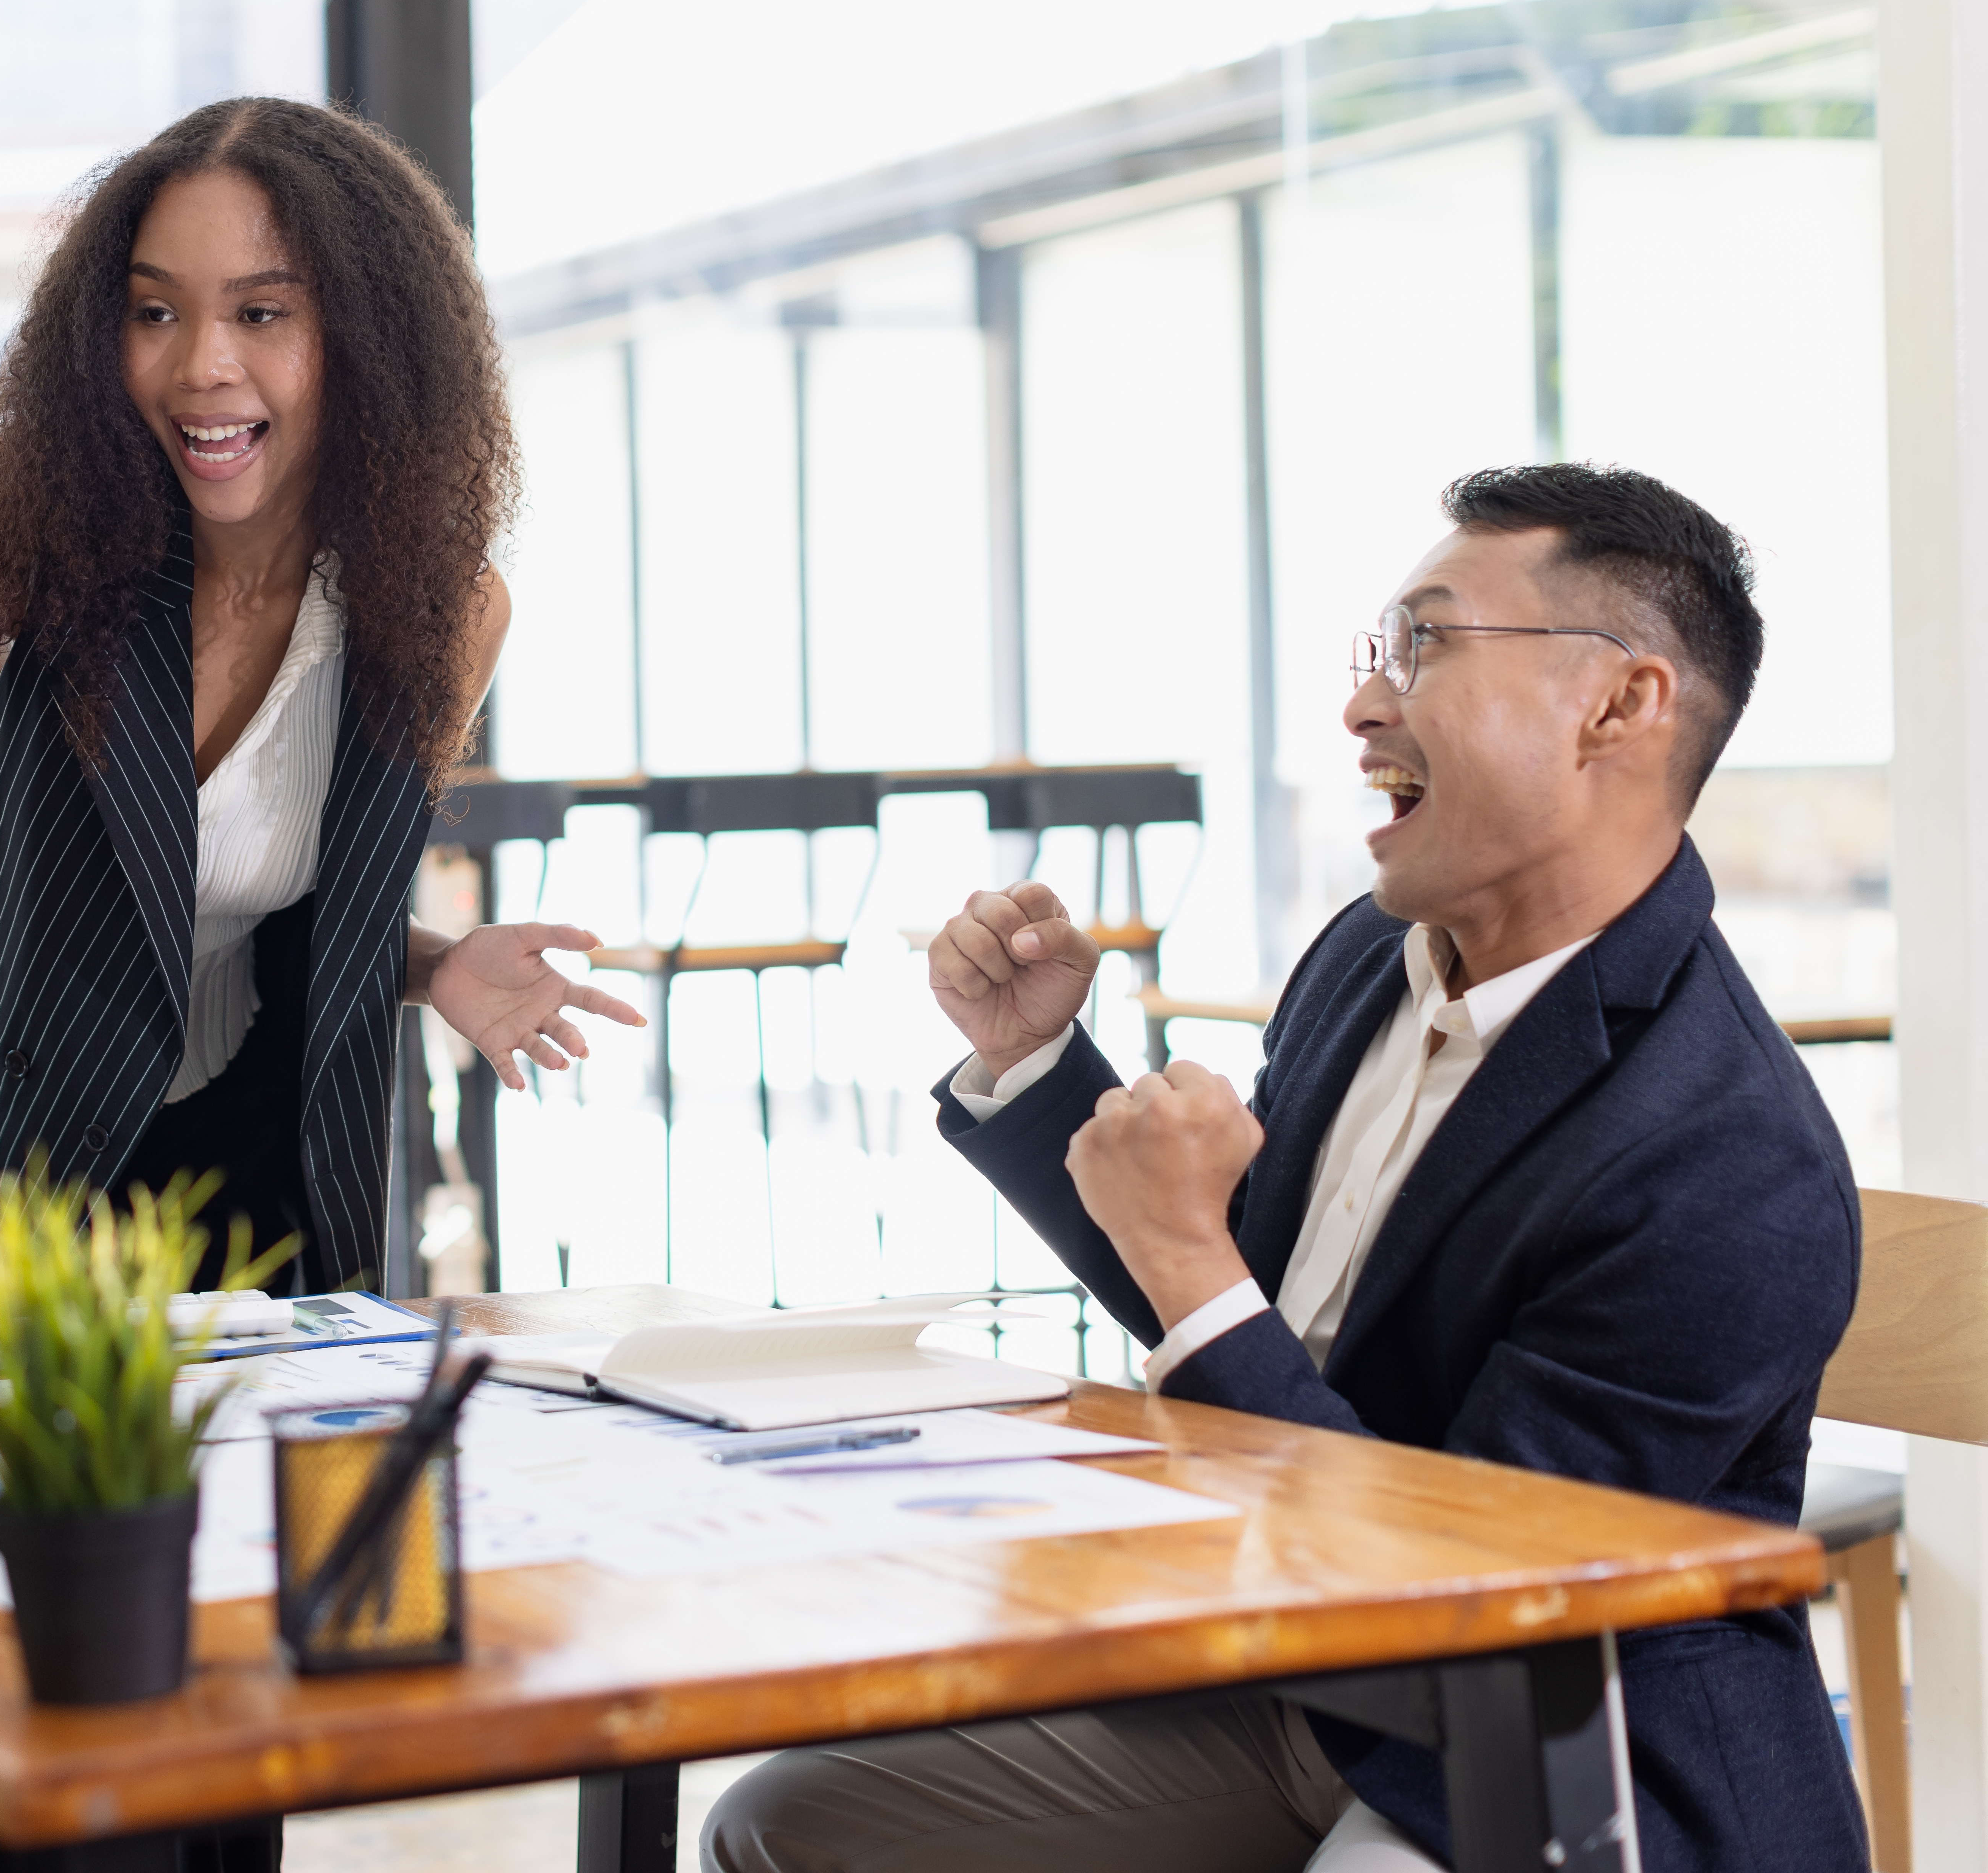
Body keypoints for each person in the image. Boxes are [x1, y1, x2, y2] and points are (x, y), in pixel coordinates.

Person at [704, 464, 1866, 1873]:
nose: (1364, 706)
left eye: (1425, 646)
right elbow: (1253, 1313)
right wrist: (1043, 1068)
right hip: (1294, 1670)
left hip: (1550, 1746)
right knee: (785, 1827)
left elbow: (1474, 1605)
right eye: (1376, 654)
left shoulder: (1729, 1155)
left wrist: (1195, 1266)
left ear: (1619, 706)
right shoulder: (1366, 961)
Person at [0, 96, 642, 1288]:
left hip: (226, 1168)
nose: (203, 365)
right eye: (156, 312)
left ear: (371, 340)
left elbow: (266, 915)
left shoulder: (444, 607)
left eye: (263, 313)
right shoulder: (15, 519)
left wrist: (430, 966)